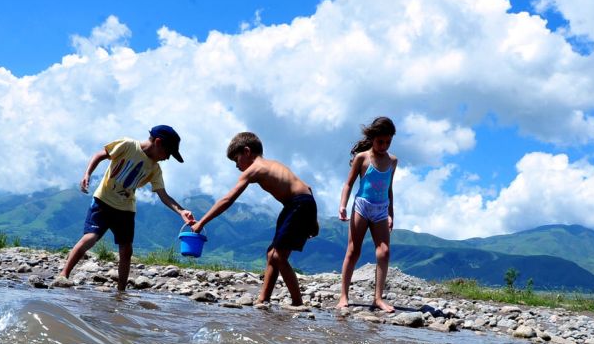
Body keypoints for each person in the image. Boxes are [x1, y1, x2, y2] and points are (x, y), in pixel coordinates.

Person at [190, 132, 319, 307]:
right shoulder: (273, 164)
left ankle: (298, 303)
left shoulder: (255, 169)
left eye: (237, 160)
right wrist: (314, 220)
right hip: (299, 203)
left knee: (278, 256)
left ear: (247, 151)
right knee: (271, 254)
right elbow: (308, 187)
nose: (236, 166)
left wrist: (201, 222)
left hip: (298, 204)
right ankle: (263, 299)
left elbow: (228, 199)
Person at [60, 125, 194, 289]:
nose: (167, 158)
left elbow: (163, 195)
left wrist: (181, 211)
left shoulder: (155, 169)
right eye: (168, 153)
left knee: (126, 250)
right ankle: (63, 275)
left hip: (125, 210)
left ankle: (121, 291)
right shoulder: (128, 145)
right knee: (90, 238)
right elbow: (100, 155)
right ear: (158, 142)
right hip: (103, 201)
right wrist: (87, 174)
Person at [337, 116, 398, 312]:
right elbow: (349, 183)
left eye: (388, 142)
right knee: (353, 250)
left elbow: (389, 189)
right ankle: (343, 296)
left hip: (381, 208)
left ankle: (378, 298)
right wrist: (343, 205)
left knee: (384, 251)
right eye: (381, 141)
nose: (384, 146)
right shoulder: (362, 158)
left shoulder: (393, 161)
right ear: (373, 138)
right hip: (362, 206)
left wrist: (391, 214)